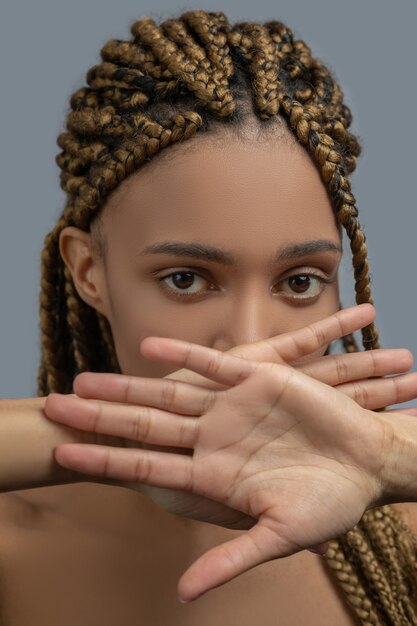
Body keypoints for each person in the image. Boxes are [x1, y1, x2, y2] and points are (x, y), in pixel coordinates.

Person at [1, 8, 417, 625]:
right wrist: (88, 436)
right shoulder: (14, 546)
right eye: (187, 280)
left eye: (300, 282)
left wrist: (389, 458)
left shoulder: (402, 529)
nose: (247, 345)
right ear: (89, 272)